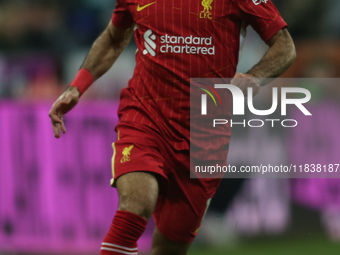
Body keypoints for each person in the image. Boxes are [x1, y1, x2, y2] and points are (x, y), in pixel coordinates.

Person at [49, 0, 296, 254]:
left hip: (205, 134)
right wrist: (77, 86)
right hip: (145, 118)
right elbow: (114, 38)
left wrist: (256, 77)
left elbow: (285, 46)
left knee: (170, 248)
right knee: (137, 202)